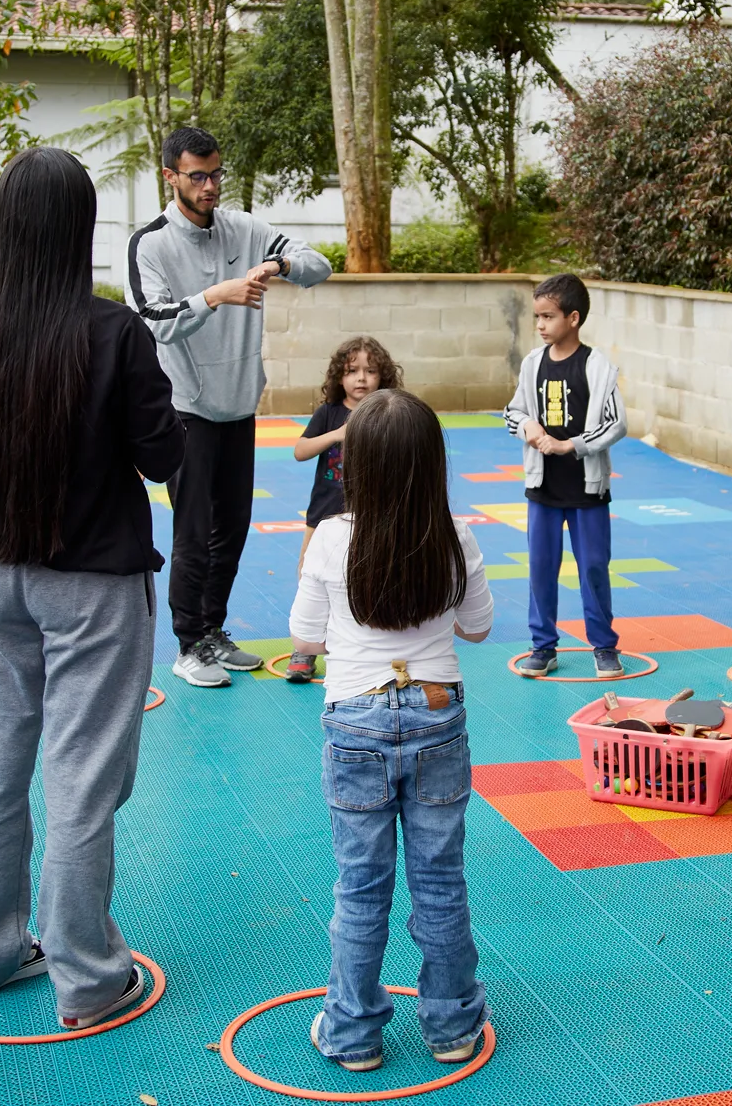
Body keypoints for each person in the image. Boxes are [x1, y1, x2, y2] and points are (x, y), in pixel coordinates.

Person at [0, 147, 187, 1030]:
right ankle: (88, 976)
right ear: (81, 228)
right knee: (81, 781)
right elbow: (162, 457)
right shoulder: (114, 333)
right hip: (94, 586)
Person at [289, 389, 493, 1072]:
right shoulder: (456, 533)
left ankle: (351, 1031)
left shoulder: (332, 537)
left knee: (360, 884)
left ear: (356, 467)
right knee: (440, 879)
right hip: (437, 714)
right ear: (432, 462)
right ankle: (453, 1025)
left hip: (355, 718)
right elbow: (479, 626)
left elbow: (303, 637)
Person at [127, 126, 332, 688]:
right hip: (186, 411)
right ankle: (188, 643)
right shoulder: (150, 243)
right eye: (198, 176)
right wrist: (217, 295)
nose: (211, 185)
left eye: (217, 173)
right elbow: (151, 321)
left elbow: (320, 264)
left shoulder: (245, 229)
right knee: (193, 532)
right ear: (170, 176)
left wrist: (282, 267)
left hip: (239, 408)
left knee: (233, 529)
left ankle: (213, 630)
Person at [502, 275, 627, 679]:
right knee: (541, 566)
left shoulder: (597, 366)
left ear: (573, 318)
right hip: (543, 489)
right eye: (537, 316)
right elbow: (513, 412)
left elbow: (616, 424)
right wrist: (530, 430)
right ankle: (543, 646)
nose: (539, 324)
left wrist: (570, 445)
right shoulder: (532, 364)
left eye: (548, 316)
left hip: (587, 489)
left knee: (593, 565)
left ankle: (604, 647)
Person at [285, 336, 403, 683]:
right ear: (340, 376)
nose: (361, 379)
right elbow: (300, 450)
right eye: (352, 371)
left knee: (368, 573)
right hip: (324, 511)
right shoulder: (329, 413)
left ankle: (369, 641)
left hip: (372, 513)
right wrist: (337, 434)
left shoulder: (387, 412)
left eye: (370, 371)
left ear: (383, 376)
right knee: (309, 572)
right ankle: (305, 649)